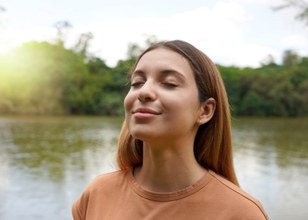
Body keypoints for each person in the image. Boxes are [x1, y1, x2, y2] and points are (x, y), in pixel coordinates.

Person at [72, 40, 268, 219]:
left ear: (205, 111)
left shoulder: (241, 213)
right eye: (137, 82)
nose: (144, 92)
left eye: (169, 83)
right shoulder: (97, 194)